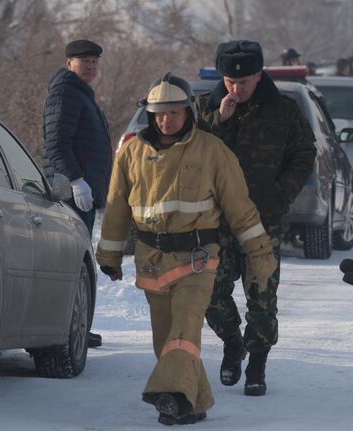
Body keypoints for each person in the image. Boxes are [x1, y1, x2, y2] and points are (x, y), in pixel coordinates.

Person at [95, 73, 277, 425]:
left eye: (174, 112)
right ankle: (195, 402)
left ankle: (170, 396)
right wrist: (109, 255)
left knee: (185, 328)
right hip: (151, 260)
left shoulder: (212, 151)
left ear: (189, 112)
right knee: (167, 339)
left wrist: (260, 252)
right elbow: (116, 206)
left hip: (198, 260)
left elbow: (240, 208)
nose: (166, 120)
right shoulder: (132, 153)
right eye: (159, 113)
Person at [197, 40, 317, 395]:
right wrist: (220, 120)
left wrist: (281, 195)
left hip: (264, 220)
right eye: (231, 82)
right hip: (218, 220)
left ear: (259, 75)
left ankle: (258, 363)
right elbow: (192, 153)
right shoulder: (207, 108)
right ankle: (232, 342)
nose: (237, 89)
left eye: (245, 82)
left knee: (261, 295)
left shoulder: (283, 110)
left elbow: (304, 154)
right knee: (211, 293)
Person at [42, 39, 111, 348]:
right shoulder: (65, 93)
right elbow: (57, 143)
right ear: (69, 62)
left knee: (79, 264)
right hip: (72, 193)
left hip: (83, 193)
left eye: (95, 60)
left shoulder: (81, 94)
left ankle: (76, 327)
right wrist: (76, 179)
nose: (91, 65)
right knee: (70, 264)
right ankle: (65, 331)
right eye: (84, 60)